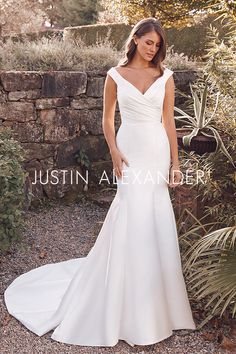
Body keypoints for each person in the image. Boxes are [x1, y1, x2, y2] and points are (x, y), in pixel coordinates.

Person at [4, 17, 196, 347]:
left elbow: (168, 122)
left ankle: (158, 309)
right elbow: (107, 120)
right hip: (130, 150)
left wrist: (175, 164)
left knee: (156, 220)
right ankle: (120, 307)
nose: (153, 49)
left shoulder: (166, 76)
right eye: (148, 42)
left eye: (158, 45)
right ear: (136, 39)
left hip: (157, 151)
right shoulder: (114, 76)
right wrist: (115, 152)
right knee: (131, 217)